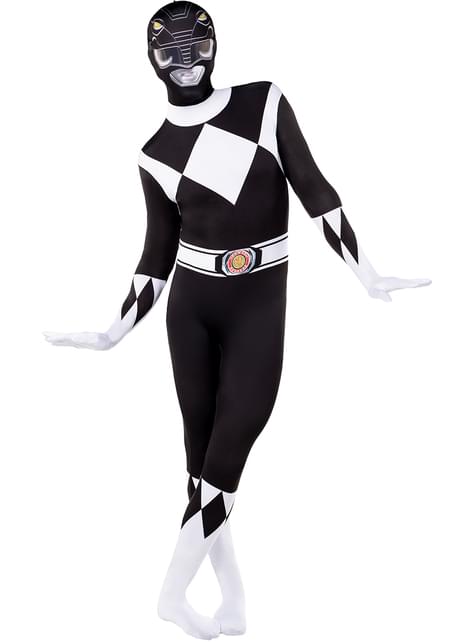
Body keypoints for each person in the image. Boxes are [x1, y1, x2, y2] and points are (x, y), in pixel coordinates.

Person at [44, 2, 431, 639]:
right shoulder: (153, 153)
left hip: (258, 304)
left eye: (197, 47)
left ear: (215, 46)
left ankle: (170, 596)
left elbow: (314, 189)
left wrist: (366, 272)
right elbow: (157, 253)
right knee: (201, 468)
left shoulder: (263, 103)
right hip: (189, 312)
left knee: (230, 450)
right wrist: (112, 333)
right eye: (170, 52)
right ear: (151, 60)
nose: (186, 63)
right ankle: (234, 601)